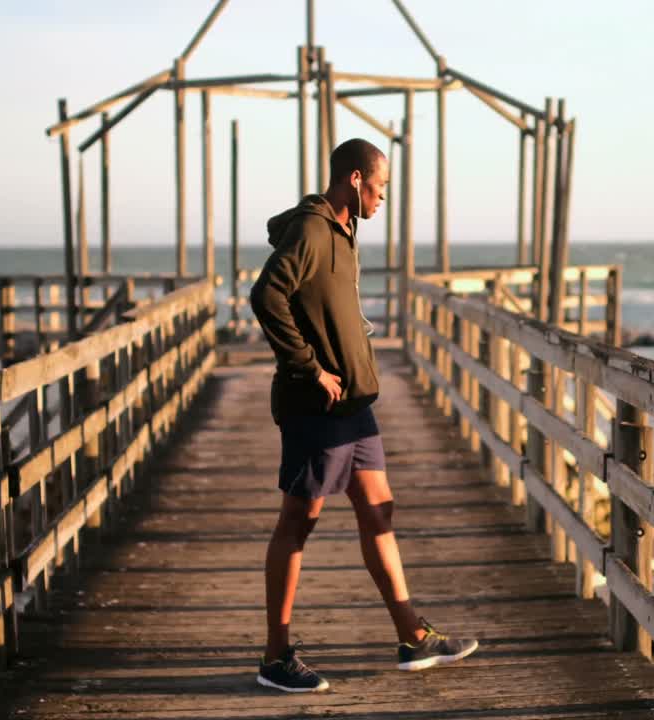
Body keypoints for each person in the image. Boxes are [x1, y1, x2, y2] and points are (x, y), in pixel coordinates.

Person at [249, 138, 478, 693]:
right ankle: (275, 656)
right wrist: (310, 368)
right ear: (356, 179)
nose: (383, 198)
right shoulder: (311, 231)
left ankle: (412, 636)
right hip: (317, 408)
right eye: (380, 187)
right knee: (297, 523)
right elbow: (265, 297)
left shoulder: (345, 231)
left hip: (355, 407)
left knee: (379, 512)